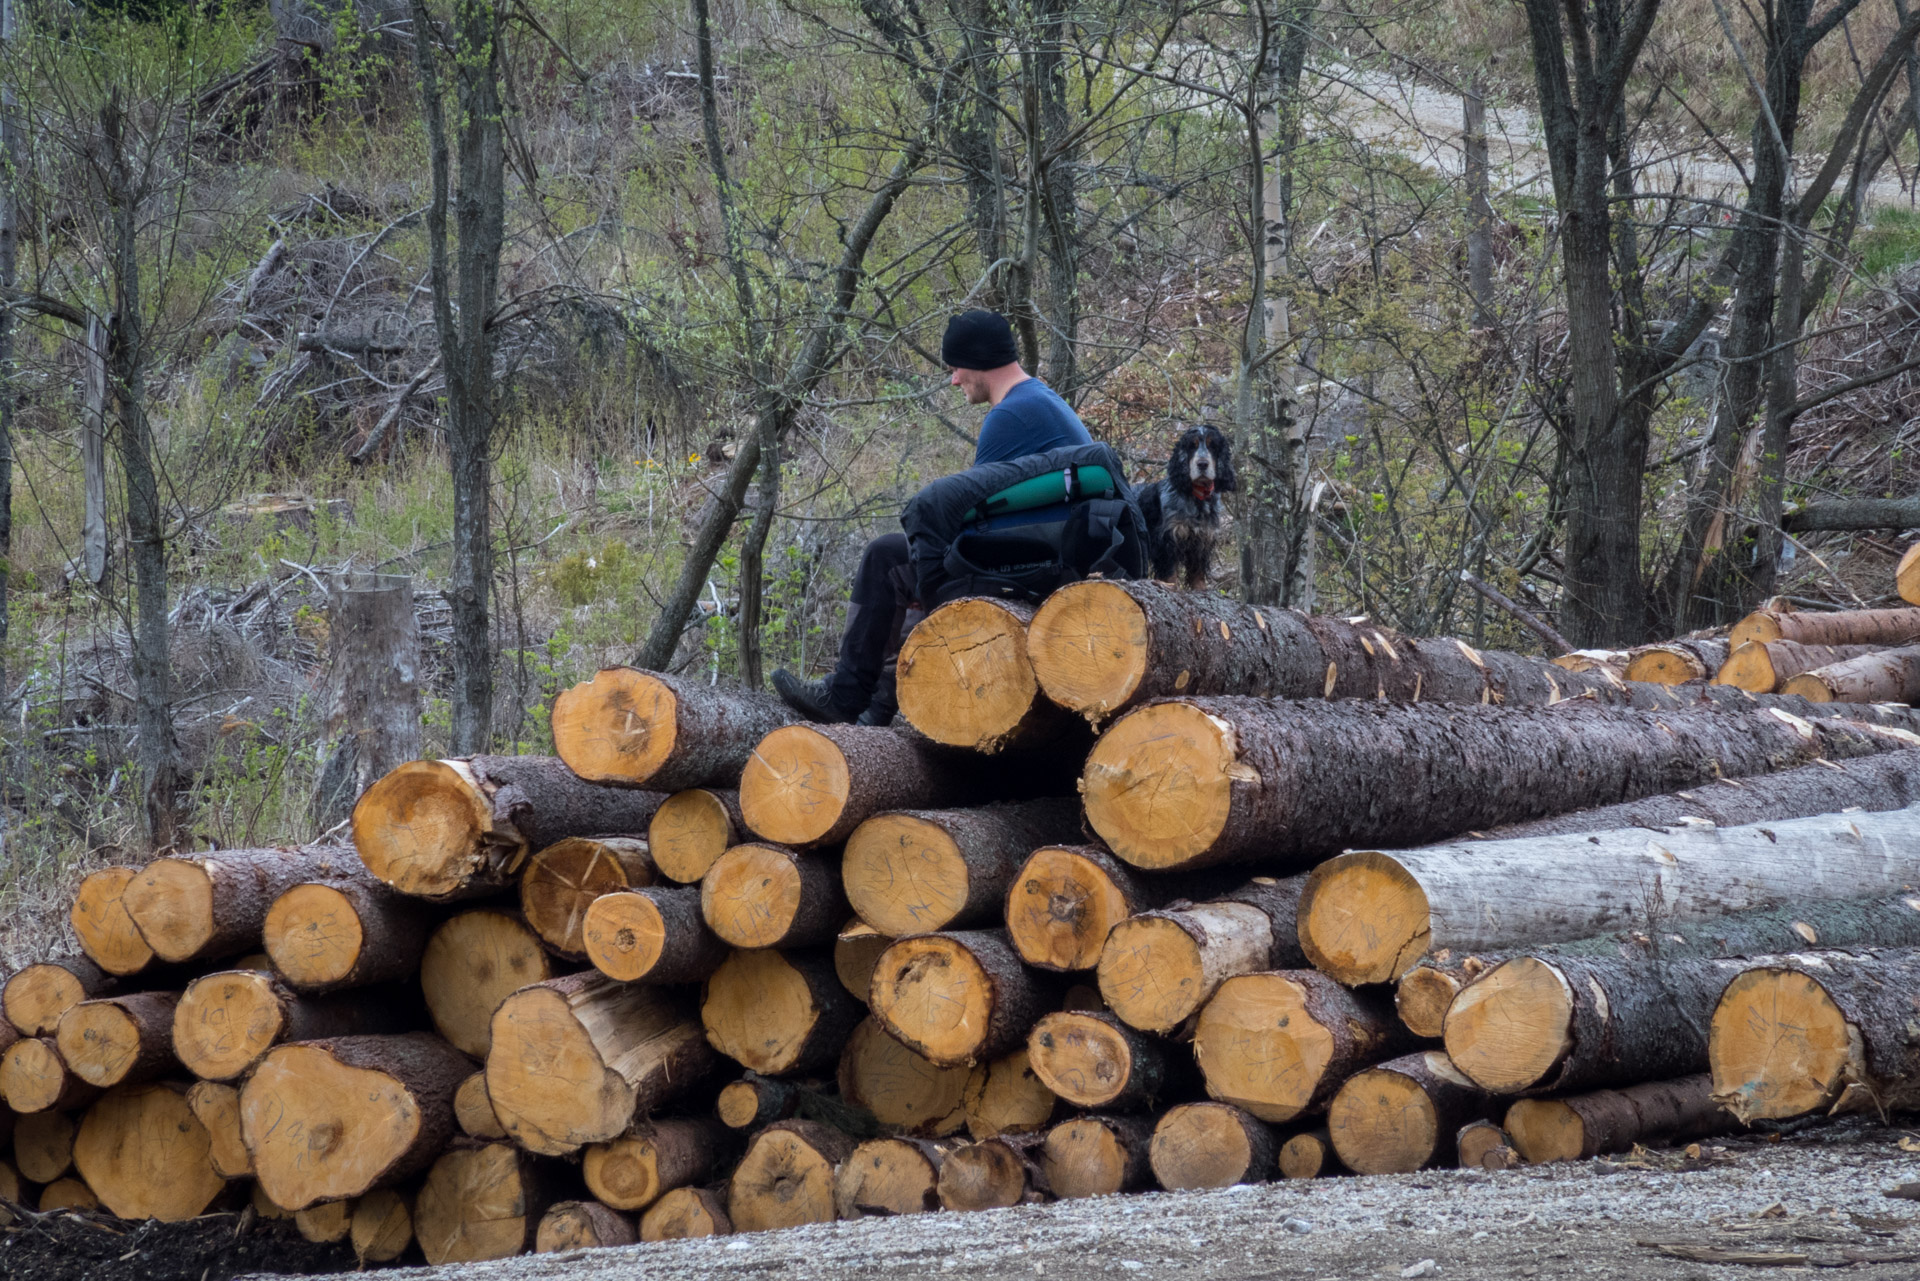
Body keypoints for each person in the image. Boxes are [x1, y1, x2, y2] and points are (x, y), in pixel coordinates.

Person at [773, 309, 1093, 724]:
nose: (954, 379)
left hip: (1031, 568)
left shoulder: (1008, 417)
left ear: (978, 362)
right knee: (910, 558)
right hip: (1051, 556)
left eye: (956, 367)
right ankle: (877, 704)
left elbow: (970, 521)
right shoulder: (1042, 401)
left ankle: (847, 696)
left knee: (888, 557)